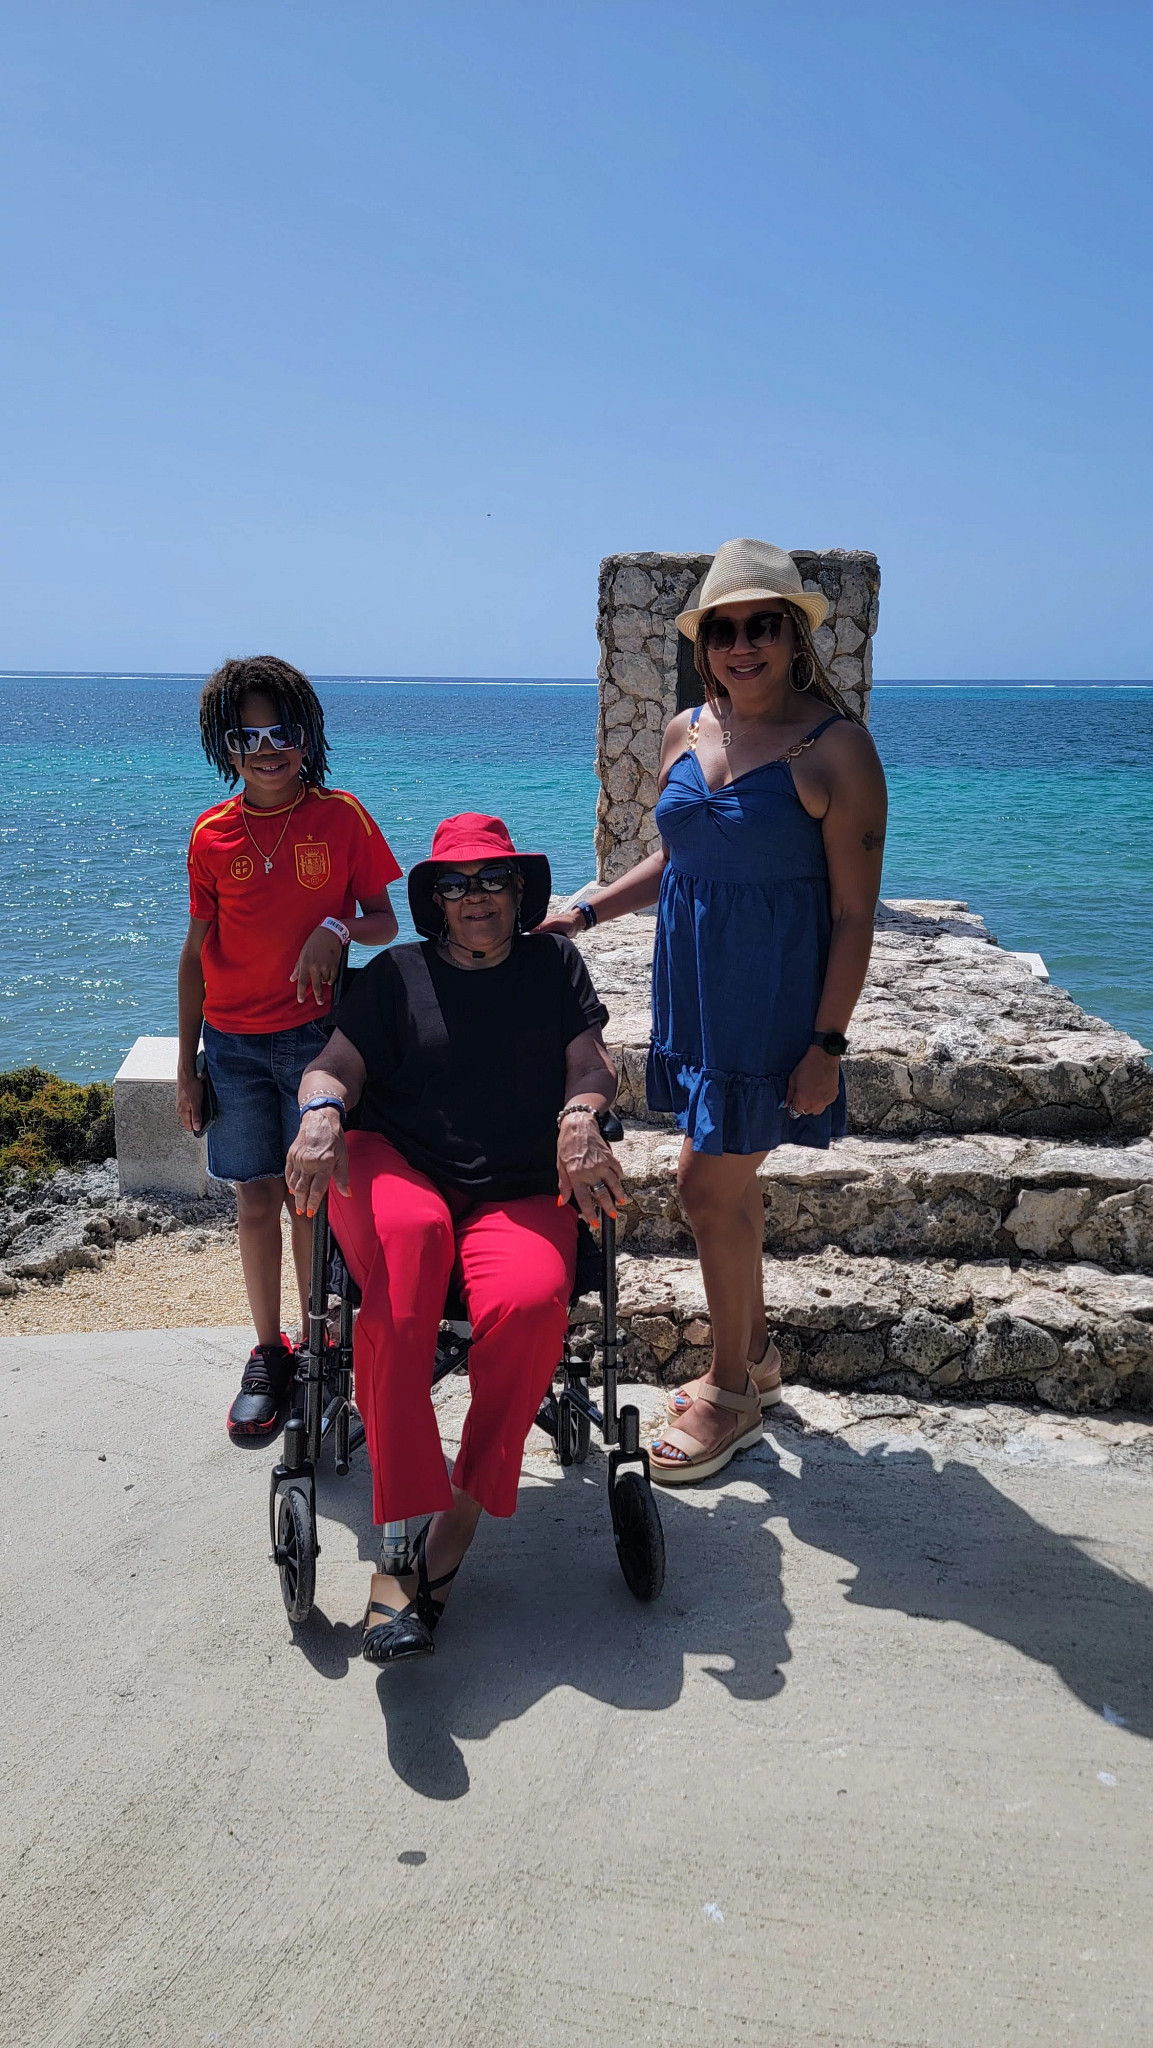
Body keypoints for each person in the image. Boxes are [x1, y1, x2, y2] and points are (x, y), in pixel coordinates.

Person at [542, 539, 888, 1484]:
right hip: (695, 992)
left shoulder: (836, 748)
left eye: (761, 626)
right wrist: (587, 909)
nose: (743, 645)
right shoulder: (685, 731)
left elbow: (854, 912)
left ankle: (730, 1394)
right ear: (704, 644)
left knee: (702, 1188)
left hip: (775, 1003)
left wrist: (825, 1045)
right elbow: (682, 858)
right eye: (724, 629)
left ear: (793, 637)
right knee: (729, 1189)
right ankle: (759, 1357)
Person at [283, 813, 622, 1665]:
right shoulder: (396, 973)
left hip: (515, 1188)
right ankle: (397, 1546)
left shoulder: (553, 966)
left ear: (519, 892)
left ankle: (457, 1515)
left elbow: (590, 1064)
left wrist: (581, 1115)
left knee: (532, 1298)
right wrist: (321, 1112)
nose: (476, 898)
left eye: (492, 880)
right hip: (398, 1166)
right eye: (456, 883)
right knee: (411, 1247)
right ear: (433, 898)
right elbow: (334, 1066)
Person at [176, 655, 400, 1444]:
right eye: (248, 736)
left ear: (306, 737)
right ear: (225, 746)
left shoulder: (342, 816)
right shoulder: (211, 833)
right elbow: (194, 953)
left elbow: (383, 919)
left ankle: (317, 1344)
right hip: (232, 1047)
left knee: (312, 1198)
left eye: (283, 733)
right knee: (255, 1197)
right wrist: (186, 1066)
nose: (267, 749)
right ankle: (269, 1352)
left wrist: (333, 927)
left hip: (315, 1041)